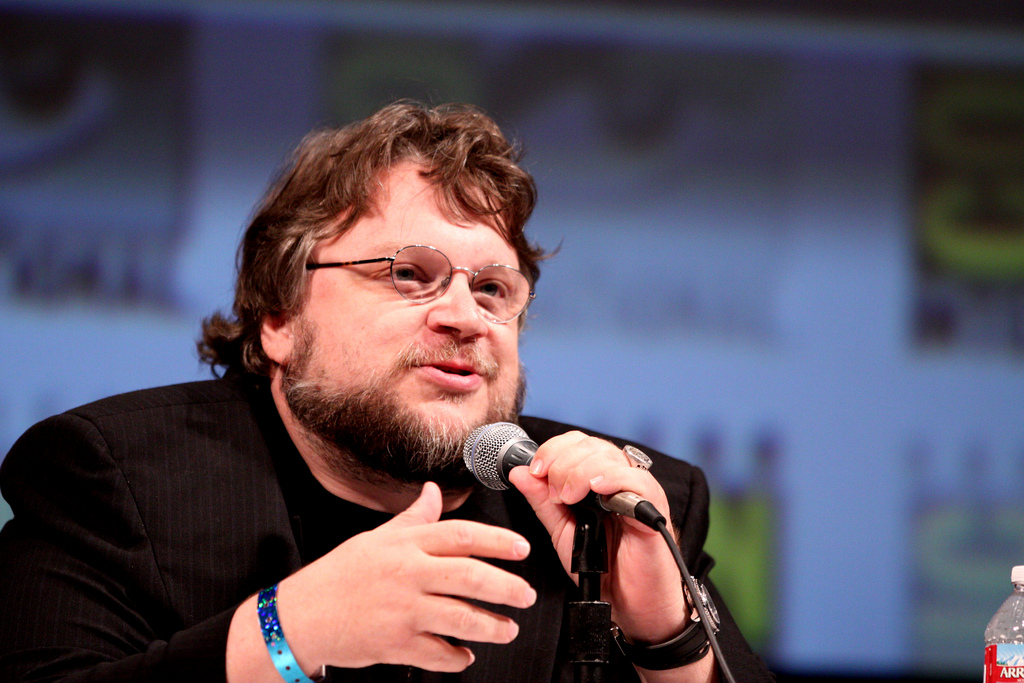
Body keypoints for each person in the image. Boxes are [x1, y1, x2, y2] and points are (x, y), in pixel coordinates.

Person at [0, 102, 774, 683]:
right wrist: (286, 631)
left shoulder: (616, 511)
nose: (464, 317)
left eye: (495, 288)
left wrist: (666, 639)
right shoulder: (111, 477)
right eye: (409, 273)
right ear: (278, 315)